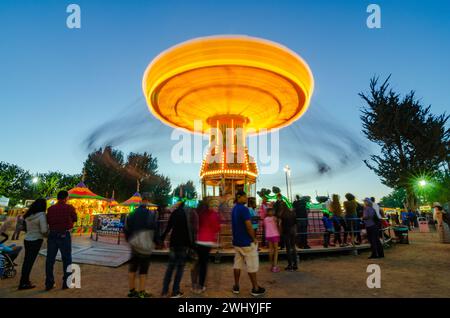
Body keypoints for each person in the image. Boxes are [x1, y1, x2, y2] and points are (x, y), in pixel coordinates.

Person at [231, 191, 265, 297]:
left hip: (237, 242)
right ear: (239, 197)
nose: (246, 198)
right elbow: (248, 225)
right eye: (244, 196)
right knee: (252, 265)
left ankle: (236, 286)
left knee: (237, 264)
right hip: (246, 242)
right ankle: (255, 288)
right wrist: (253, 238)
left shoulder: (234, 209)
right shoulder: (244, 209)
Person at [124, 195, 158, 298]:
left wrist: (129, 239)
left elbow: (126, 228)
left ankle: (131, 291)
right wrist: (156, 241)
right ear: (147, 202)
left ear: (140, 201)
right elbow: (154, 229)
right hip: (145, 245)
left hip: (134, 244)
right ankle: (142, 292)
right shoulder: (151, 214)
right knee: (143, 270)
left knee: (132, 268)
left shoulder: (132, 213)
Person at [45, 190, 77, 291]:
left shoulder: (50, 209)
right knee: (67, 259)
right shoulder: (69, 207)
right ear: (66, 197)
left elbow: (48, 220)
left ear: (58, 198)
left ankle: (49, 283)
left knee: (50, 259)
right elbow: (75, 218)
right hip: (64, 234)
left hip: (53, 234)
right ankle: (66, 283)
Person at [161, 201, 193, 298]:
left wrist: (162, 238)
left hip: (173, 243)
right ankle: (175, 291)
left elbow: (168, 227)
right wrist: (191, 245)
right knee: (179, 269)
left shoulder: (174, 213)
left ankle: (165, 291)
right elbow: (188, 230)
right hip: (182, 245)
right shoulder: (186, 215)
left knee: (170, 268)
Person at [191, 199, 220, 294]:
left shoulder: (199, 214)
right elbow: (216, 227)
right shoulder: (212, 214)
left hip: (198, 240)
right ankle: (200, 286)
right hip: (207, 242)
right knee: (203, 265)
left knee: (198, 263)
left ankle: (194, 284)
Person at [18, 198, 48, 290]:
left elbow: (25, 228)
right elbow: (44, 230)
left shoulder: (28, 215)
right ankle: (23, 283)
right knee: (29, 262)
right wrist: (48, 234)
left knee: (27, 261)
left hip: (27, 239)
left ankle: (24, 281)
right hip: (36, 240)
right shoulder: (42, 215)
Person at [279, 203, 298, 271]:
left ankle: (290, 265)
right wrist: (295, 232)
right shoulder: (292, 213)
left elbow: (280, 224)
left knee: (288, 249)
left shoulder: (282, 214)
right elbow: (295, 223)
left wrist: (280, 233)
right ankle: (295, 264)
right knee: (293, 247)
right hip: (293, 231)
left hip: (286, 232)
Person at [263, 207, 280, 272]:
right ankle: (275, 266)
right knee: (276, 250)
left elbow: (264, 226)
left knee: (270, 250)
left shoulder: (265, 219)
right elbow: (278, 225)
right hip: (275, 234)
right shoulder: (275, 218)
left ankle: (271, 265)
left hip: (268, 235)